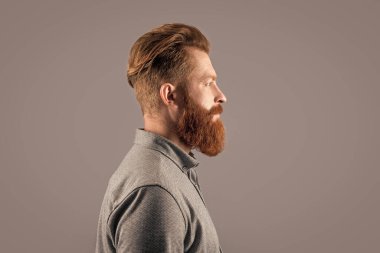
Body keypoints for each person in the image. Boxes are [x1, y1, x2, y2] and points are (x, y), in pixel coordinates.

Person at [96, 23, 227, 253]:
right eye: (207, 83)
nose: (221, 96)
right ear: (170, 95)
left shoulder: (172, 170)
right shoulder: (155, 191)